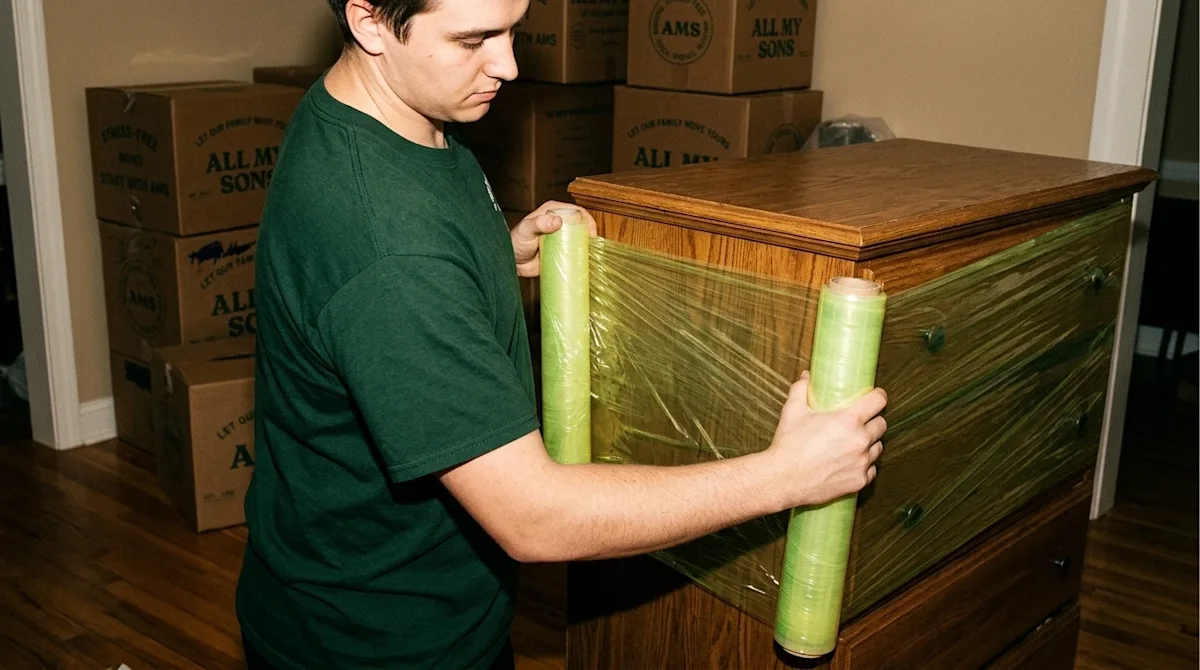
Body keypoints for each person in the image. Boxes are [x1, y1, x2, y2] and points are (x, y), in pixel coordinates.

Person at [233, 0, 889, 668]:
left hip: (413, 604)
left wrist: (492, 255)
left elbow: (395, 275)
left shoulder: (385, 118)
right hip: (379, 643)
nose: (509, 65)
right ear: (369, 22)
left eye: (515, 29)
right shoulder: (392, 254)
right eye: (474, 40)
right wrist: (786, 475)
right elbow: (533, 517)